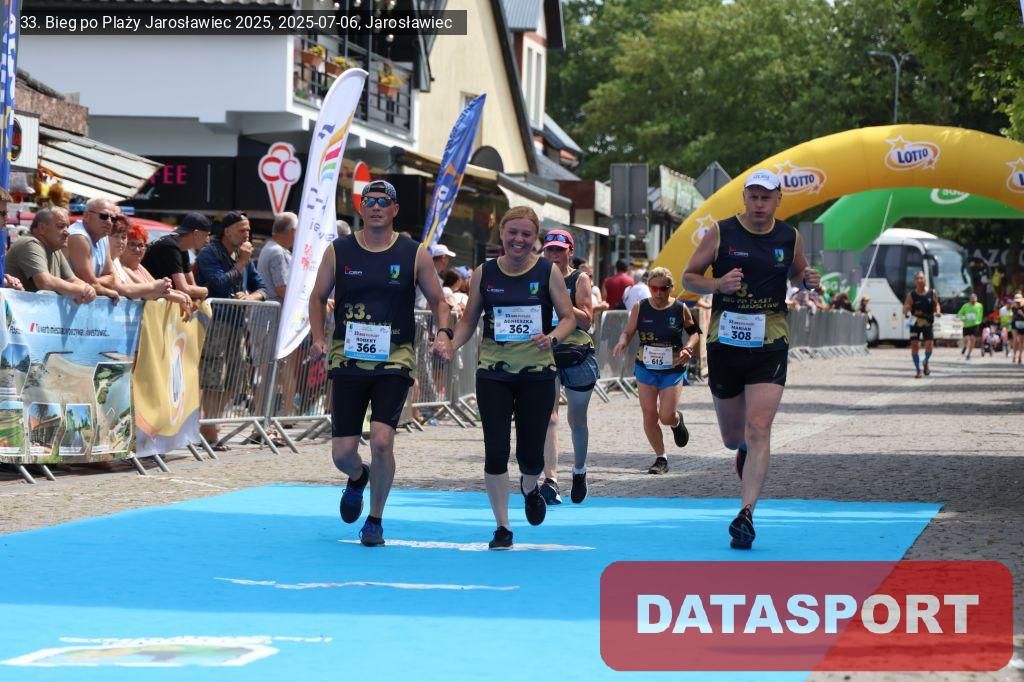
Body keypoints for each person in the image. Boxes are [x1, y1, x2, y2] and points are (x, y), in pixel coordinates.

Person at [309, 180, 452, 547]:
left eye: (383, 201)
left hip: (395, 357)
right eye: (368, 201)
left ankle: (375, 520)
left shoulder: (414, 253)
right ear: (361, 209)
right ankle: (358, 477)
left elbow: (439, 301)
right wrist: (319, 337)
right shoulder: (339, 250)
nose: (375, 206)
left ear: (394, 210)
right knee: (343, 454)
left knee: (382, 441)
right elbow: (318, 296)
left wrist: (443, 333)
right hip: (348, 357)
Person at [682, 169, 820, 550]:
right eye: (753, 197)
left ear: (778, 200)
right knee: (733, 437)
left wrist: (807, 280)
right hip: (726, 341)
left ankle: (746, 514)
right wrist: (717, 284)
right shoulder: (721, 232)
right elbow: (688, 277)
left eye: (766, 198)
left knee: (759, 428)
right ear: (744, 198)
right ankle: (742, 450)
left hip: (770, 341)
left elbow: (798, 274)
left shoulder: (789, 236)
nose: (759, 204)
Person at [451, 207, 576, 550]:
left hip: (537, 373)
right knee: (495, 450)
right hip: (494, 372)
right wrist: (450, 344)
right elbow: (469, 320)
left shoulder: (547, 271)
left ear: (535, 239)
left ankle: (530, 487)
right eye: (513, 233)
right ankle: (502, 526)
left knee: (531, 456)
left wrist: (553, 337)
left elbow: (568, 318)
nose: (519, 240)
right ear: (502, 234)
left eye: (526, 234)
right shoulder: (485, 272)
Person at [194, 211, 271, 448]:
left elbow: (262, 288)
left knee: (234, 381)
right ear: (227, 231)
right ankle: (208, 432)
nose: (247, 234)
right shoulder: (210, 252)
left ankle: (210, 425)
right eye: (242, 229)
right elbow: (217, 284)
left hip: (237, 324)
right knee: (214, 380)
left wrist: (250, 297)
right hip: (214, 324)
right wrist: (242, 263)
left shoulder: (242, 255)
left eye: (248, 230)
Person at [613, 267, 699, 474]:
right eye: (654, 288)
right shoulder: (640, 307)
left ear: (671, 288)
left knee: (666, 416)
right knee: (650, 415)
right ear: (649, 287)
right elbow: (628, 331)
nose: (658, 293)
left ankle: (676, 421)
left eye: (663, 288)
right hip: (645, 368)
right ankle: (661, 458)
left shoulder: (679, 308)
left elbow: (695, 333)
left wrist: (688, 348)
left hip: (672, 369)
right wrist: (623, 341)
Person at [540, 229, 600, 504]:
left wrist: (562, 300)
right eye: (550, 249)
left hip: (577, 354)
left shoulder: (579, 279)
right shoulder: (537, 276)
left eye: (559, 250)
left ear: (570, 252)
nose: (554, 254)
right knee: (549, 417)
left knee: (577, 420)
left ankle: (579, 471)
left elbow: (586, 320)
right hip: (546, 353)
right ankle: (550, 480)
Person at [6, 208, 97, 302]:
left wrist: (88, 289)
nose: (67, 232)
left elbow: (72, 279)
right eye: (61, 226)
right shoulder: (30, 244)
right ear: (42, 228)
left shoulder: (55, 248)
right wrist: (81, 290)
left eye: (67, 227)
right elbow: (45, 282)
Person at [116, 220, 193, 314]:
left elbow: (156, 286)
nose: (137, 249)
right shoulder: (121, 267)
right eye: (132, 244)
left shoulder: (139, 267)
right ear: (124, 245)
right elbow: (150, 292)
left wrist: (182, 294)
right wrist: (181, 298)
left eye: (141, 245)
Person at [142, 212, 211, 305]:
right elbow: (183, 288)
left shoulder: (182, 248)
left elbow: (192, 286)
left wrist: (196, 300)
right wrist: (206, 290)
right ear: (196, 233)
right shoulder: (170, 246)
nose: (208, 240)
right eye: (206, 235)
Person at [64, 197, 121, 301]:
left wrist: (95, 282)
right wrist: (107, 291)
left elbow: (112, 279)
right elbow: (88, 282)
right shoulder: (78, 237)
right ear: (86, 216)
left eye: (113, 218)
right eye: (104, 216)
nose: (109, 222)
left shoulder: (103, 237)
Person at [106, 214, 175, 301]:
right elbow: (123, 290)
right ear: (105, 236)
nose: (120, 241)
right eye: (132, 245)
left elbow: (143, 294)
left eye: (123, 237)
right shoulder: (115, 263)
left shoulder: (117, 262)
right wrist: (155, 286)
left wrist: (164, 287)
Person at [902, 271, 942, 378]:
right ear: (914, 282)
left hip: (928, 323)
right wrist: (906, 309)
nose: (919, 280)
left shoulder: (932, 293)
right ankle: (918, 370)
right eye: (917, 279)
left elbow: (936, 304)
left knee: (929, 346)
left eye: (921, 278)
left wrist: (938, 311)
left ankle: (926, 361)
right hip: (915, 323)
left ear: (925, 280)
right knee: (915, 346)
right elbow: (905, 308)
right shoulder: (911, 295)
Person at [257, 212, 296, 304]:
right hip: (273, 311)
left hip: (268, 309)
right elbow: (283, 290)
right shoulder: (278, 252)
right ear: (293, 231)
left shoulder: (270, 247)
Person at [956, 292, 983, 361]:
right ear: (970, 299)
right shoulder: (965, 306)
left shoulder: (980, 306)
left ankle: (969, 354)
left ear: (976, 299)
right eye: (972, 298)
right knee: (966, 339)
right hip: (966, 325)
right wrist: (962, 318)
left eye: (974, 298)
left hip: (975, 325)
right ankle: (965, 346)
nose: (973, 299)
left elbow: (981, 314)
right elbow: (959, 314)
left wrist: (979, 321)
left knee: (973, 339)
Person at [1011, 293, 1024, 364]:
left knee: (1022, 341)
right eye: (1016, 301)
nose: (1017, 302)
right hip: (1015, 323)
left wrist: (1022, 314)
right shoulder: (1013, 306)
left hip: (1023, 323)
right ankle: (1014, 355)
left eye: (1018, 301)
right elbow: (1013, 315)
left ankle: (1020, 356)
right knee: (1015, 339)